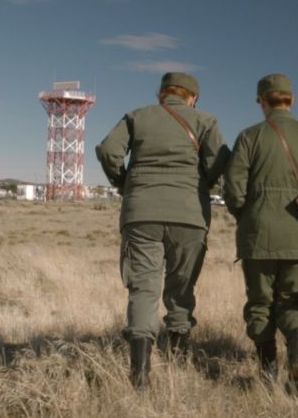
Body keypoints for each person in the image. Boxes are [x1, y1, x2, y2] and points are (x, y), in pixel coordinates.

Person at [95, 72, 228, 389]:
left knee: (143, 290)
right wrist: (203, 185)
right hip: (189, 215)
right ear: (193, 98)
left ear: (161, 94)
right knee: (181, 288)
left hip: (141, 214)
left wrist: (125, 182)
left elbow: (108, 151)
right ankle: (178, 358)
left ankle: (140, 375)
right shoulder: (206, 121)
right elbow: (221, 163)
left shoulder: (137, 117)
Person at [223, 74, 298, 395]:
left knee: (260, 304)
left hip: (258, 237)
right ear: (292, 100)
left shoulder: (249, 137)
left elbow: (233, 188)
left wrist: (248, 216)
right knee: (295, 302)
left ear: (261, 101)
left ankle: (267, 374)